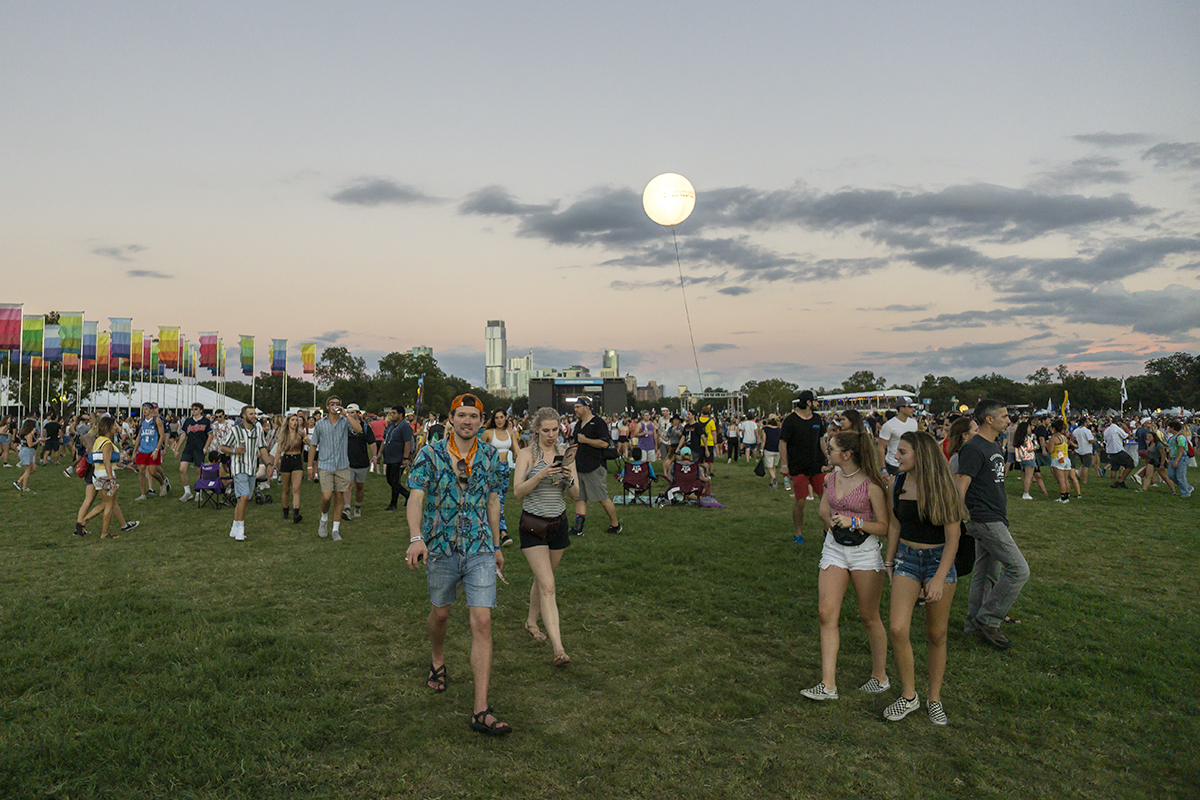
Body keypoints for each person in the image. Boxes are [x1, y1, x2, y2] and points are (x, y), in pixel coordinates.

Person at [405, 393, 511, 736]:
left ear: (482, 422)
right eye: (461, 415)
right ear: (451, 419)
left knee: (482, 621)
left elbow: (494, 500)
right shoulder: (430, 454)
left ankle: (481, 709)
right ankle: (438, 658)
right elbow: (416, 496)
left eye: (473, 416)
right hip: (441, 547)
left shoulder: (492, 457)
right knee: (441, 614)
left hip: (479, 546)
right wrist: (415, 537)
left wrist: (496, 545)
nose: (467, 421)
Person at [801, 428, 890, 702]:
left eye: (831, 447)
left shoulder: (872, 486)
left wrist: (855, 524)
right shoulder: (830, 477)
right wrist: (835, 533)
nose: (827, 450)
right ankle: (828, 684)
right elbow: (824, 511)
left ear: (847, 454)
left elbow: (884, 526)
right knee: (826, 614)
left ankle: (880, 676)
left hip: (865, 553)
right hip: (835, 550)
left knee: (869, 616)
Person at [884, 431, 964, 725]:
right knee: (897, 628)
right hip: (906, 559)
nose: (896, 457)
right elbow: (894, 524)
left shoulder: (945, 486)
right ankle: (909, 696)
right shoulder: (898, 482)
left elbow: (953, 537)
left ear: (921, 455)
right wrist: (889, 561)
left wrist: (939, 578)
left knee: (936, 634)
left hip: (937, 561)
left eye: (902, 452)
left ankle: (934, 699)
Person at [955, 400, 1028, 650]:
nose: (1009, 420)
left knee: (986, 574)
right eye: (1004, 416)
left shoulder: (993, 444)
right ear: (989, 419)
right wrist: (959, 515)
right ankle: (989, 618)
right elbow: (962, 482)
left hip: (995, 516)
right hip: (984, 519)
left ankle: (973, 624)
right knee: (1019, 570)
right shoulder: (973, 448)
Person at [512, 406, 579, 666]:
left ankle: (531, 622)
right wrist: (540, 475)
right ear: (536, 430)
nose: (551, 435)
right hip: (533, 526)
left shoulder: (565, 455)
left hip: (558, 525)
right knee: (548, 586)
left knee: (543, 580)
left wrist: (568, 479)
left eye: (555, 430)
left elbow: (575, 495)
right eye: (546, 430)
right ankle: (559, 649)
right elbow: (518, 492)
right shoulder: (527, 455)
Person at [307, 395, 360, 542]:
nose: (335, 406)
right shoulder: (320, 424)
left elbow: (358, 429)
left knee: (339, 498)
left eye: (338, 403)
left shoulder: (345, 421)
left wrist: (347, 414)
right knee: (327, 496)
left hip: (342, 465)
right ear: (327, 407)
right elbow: (312, 445)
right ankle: (324, 519)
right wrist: (310, 466)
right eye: (332, 404)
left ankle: (335, 529)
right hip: (325, 465)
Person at [779, 391, 828, 544]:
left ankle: (828, 532)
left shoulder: (817, 419)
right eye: (815, 401)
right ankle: (798, 533)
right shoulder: (790, 420)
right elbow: (783, 443)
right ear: (808, 402)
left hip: (818, 466)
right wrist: (784, 465)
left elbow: (821, 440)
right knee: (800, 502)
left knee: (826, 499)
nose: (818, 404)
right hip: (798, 466)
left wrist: (828, 456)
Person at [569, 397, 621, 535]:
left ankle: (615, 525)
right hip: (580, 466)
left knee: (602, 498)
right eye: (575, 407)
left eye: (578, 407)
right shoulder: (578, 424)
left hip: (595, 466)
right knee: (580, 498)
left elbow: (604, 443)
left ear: (587, 407)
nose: (575, 410)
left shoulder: (598, 423)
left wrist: (585, 440)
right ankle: (578, 528)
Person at [220, 406, 273, 541]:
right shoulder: (235, 431)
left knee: (243, 499)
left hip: (251, 469)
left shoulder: (258, 430)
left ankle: (235, 525)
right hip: (239, 468)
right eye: (251, 414)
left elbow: (262, 448)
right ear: (243, 415)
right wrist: (234, 451)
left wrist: (268, 464)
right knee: (243, 497)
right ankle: (241, 529)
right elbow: (223, 447)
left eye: (254, 413)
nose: (254, 416)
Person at [482, 408, 522, 547]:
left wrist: (522, 461)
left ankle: (493, 531)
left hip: (505, 468)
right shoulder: (488, 433)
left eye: (501, 417)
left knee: (501, 501)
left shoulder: (510, 432)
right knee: (495, 501)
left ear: (506, 418)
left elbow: (515, 448)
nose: (499, 420)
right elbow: (481, 451)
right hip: (492, 470)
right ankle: (503, 532)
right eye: (496, 417)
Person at [343, 403, 376, 520]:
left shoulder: (365, 428)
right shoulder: (344, 426)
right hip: (347, 461)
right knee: (349, 485)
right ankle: (347, 509)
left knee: (360, 486)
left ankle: (357, 506)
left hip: (362, 461)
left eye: (352, 412)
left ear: (358, 413)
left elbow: (372, 442)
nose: (350, 415)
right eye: (348, 412)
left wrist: (374, 455)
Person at [176, 403, 214, 502]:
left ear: (201, 410)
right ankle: (187, 492)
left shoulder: (206, 421)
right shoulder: (188, 421)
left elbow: (210, 435)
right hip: (189, 448)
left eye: (196, 409)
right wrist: (177, 448)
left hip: (199, 448)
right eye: (192, 409)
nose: (193, 411)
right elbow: (184, 434)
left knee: (198, 470)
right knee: (182, 469)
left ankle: (198, 492)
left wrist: (205, 448)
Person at [379, 405, 414, 511]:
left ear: (400, 414)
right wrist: (380, 452)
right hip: (389, 457)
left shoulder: (404, 426)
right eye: (391, 413)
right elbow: (384, 440)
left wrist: (405, 458)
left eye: (394, 413)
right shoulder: (390, 425)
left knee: (395, 480)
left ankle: (393, 503)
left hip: (398, 458)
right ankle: (407, 494)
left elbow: (408, 442)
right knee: (390, 480)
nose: (392, 415)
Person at [133, 402, 169, 501]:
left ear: (151, 410)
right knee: (141, 471)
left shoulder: (157, 420)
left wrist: (157, 449)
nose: (144, 411)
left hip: (153, 449)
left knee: (152, 471)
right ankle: (142, 494)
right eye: (143, 409)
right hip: (142, 450)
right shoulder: (142, 422)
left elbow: (162, 436)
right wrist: (134, 452)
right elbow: (138, 437)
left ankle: (162, 483)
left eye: (146, 409)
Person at [276, 414, 308, 523]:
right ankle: (285, 511)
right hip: (286, 459)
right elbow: (278, 450)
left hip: (297, 459)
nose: (295, 422)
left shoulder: (300, 434)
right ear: (288, 422)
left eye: (296, 420)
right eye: (292, 420)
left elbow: (310, 443)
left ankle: (296, 512)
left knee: (296, 488)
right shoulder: (283, 434)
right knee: (286, 489)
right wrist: (274, 463)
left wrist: (305, 437)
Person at [877, 398, 918, 482]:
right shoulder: (889, 425)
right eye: (910, 407)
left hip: (910, 464)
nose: (913, 409)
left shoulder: (914, 423)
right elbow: (881, 448)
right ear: (901, 408)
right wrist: (883, 469)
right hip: (893, 464)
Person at [1013, 419, 1049, 500]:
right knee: (1029, 477)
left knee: (1024, 476)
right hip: (1029, 458)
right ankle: (1026, 493)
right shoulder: (1027, 439)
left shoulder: (1018, 438)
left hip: (1021, 459)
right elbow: (1030, 448)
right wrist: (1035, 445)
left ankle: (1025, 491)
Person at [1048, 419, 1081, 502]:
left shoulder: (1054, 438)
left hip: (1057, 458)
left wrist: (1046, 444)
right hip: (1066, 458)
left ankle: (1063, 497)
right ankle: (1066, 495)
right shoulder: (1064, 437)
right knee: (1066, 479)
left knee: (1061, 480)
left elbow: (1050, 450)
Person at [1103, 417, 1136, 488]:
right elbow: (1128, 437)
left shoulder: (1107, 430)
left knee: (1114, 468)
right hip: (1118, 450)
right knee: (1130, 464)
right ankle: (1121, 480)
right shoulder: (1118, 429)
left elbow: (1105, 440)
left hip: (1110, 451)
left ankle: (1113, 484)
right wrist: (1126, 428)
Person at [1166, 418, 1193, 498]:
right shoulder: (1173, 437)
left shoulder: (1180, 437)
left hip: (1182, 458)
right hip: (1174, 457)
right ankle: (1187, 487)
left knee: (1180, 476)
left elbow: (1181, 449)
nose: (1168, 429)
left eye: (1169, 427)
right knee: (1171, 475)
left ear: (1173, 428)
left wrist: (1176, 461)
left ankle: (1186, 493)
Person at [14, 419, 38, 493]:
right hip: (26, 451)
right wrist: (38, 441)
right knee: (27, 470)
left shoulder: (25, 433)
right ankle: (24, 487)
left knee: (33, 469)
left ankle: (19, 481)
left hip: (27, 452)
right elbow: (30, 445)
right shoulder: (29, 434)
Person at [1072, 418, 1096, 485]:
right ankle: (1085, 481)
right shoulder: (1086, 431)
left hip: (1078, 450)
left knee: (1083, 464)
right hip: (1086, 450)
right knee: (1086, 466)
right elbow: (1090, 440)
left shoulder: (1075, 430)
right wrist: (1094, 439)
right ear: (1085, 423)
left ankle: (1078, 476)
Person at [761, 414, 782, 488]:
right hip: (778, 450)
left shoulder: (765, 429)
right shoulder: (779, 430)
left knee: (769, 467)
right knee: (773, 467)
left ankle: (774, 479)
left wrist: (761, 450)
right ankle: (773, 483)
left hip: (768, 449)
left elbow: (764, 440)